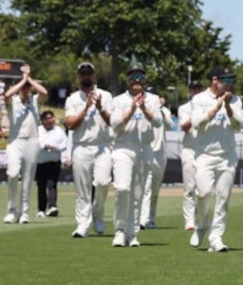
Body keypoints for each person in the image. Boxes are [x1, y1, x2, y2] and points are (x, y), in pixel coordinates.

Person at [189, 67, 243, 251]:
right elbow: (197, 124)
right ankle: (201, 225)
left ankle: (216, 237)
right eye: (225, 80)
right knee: (203, 193)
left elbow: (239, 125)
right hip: (205, 155)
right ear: (215, 80)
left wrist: (228, 106)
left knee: (223, 196)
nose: (229, 84)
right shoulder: (199, 99)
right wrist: (216, 107)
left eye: (231, 80)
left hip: (227, 156)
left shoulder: (235, 100)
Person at [108, 64, 163, 247]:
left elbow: (158, 121)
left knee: (138, 193)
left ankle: (132, 233)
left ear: (145, 80)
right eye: (133, 77)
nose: (137, 81)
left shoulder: (153, 99)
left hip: (144, 147)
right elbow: (115, 124)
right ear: (128, 80)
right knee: (123, 188)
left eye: (140, 77)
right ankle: (119, 230)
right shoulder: (118, 100)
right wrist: (132, 109)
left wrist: (145, 109)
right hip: (123, 147)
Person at [64, 61, 114, 238]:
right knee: (82, 189)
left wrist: (99, 108)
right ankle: (82, 225)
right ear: (79, 77)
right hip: (81, 146)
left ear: (94, 76)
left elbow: (112, 122)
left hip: (102, 146)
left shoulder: (106, 96)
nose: (86, 77)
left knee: (101, 182)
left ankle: (98, 214)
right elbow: (70, 124)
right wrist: (85, 108)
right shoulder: (72, 99)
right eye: (83, 74)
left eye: (89, 73)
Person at [3, 64, 48, 225]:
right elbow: (7, 94)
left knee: (28, 179)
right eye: (23, 87)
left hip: (32, 142)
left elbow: (44, 92)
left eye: (28, 87)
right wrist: (23, 80)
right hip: (15, 141)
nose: (25, 89)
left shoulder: (35, 101)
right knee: (13, 174)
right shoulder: (13, 102)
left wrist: (29, 78)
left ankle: (24, 213)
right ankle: (11, 211)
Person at [139, 91, 170, 231]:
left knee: (155, 190)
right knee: (145, 186)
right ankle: (142, 219)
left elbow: (169, 125)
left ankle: (151, 218)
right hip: (147, 149)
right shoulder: (141, 109)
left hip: (160, 152)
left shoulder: (165, 111)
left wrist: (162, 111)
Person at [176, 80, 204, 235]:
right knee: (189, 187)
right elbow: (185, 127)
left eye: (198, 88)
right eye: (194, 89)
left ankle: (199, 216)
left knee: (202, 187)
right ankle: (189, 220)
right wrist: (195, 116)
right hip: (189, 149)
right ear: (190, 91)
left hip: (203, 150)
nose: (196, 91)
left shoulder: (206, 106)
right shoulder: (184, 108)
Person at [36, 110, 66, 217]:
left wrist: (54, 147)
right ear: (43, 120)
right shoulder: (37, 130)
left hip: (54, 162)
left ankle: (53, 206)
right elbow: (34, 144)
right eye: (47, 119)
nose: (50, 120)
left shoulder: (59, 131)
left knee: (52, 184)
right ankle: (41, 209)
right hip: (40, 162)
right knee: (41, 186)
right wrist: (43, 146)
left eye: (51, 118)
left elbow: (64, 145)